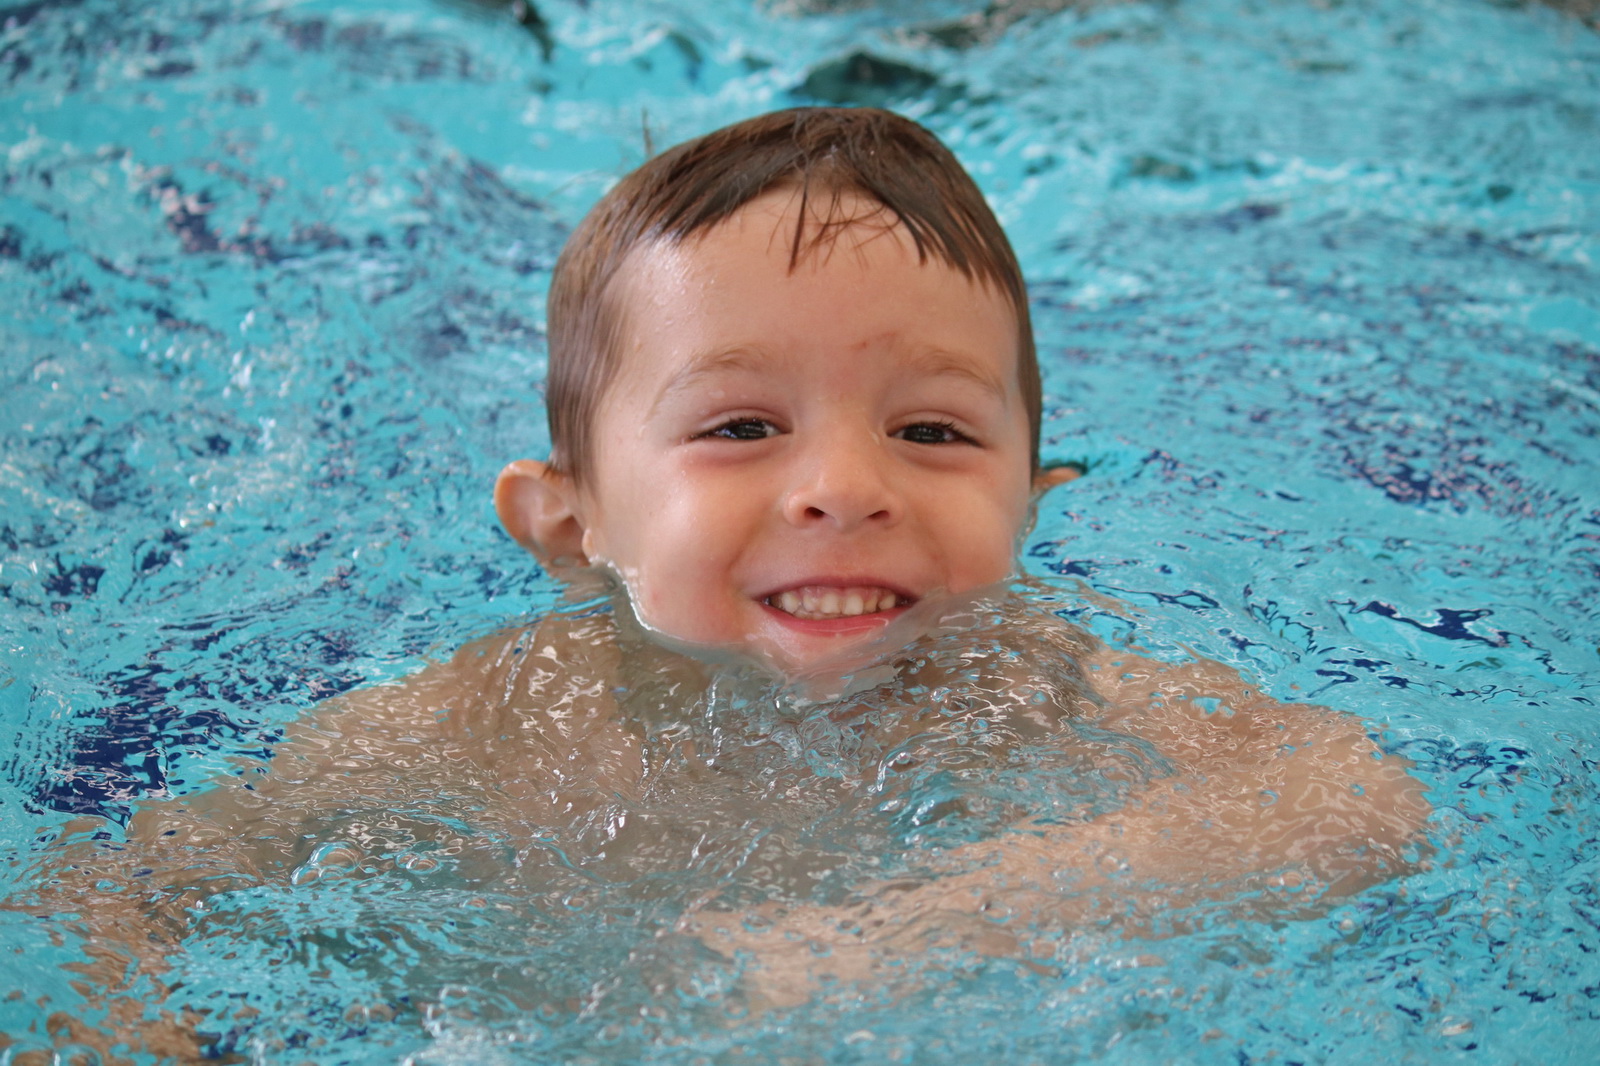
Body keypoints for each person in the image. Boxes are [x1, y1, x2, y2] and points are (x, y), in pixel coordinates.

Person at [9, 107, 1429, 1059]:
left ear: (1032, 502)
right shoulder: (482, 731)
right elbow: (120, 890)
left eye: (933, 431)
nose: (846, 486)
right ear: (573, 529)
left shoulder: (1056, 693)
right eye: (742, 427)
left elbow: (1359, 802)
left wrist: (919, 932)